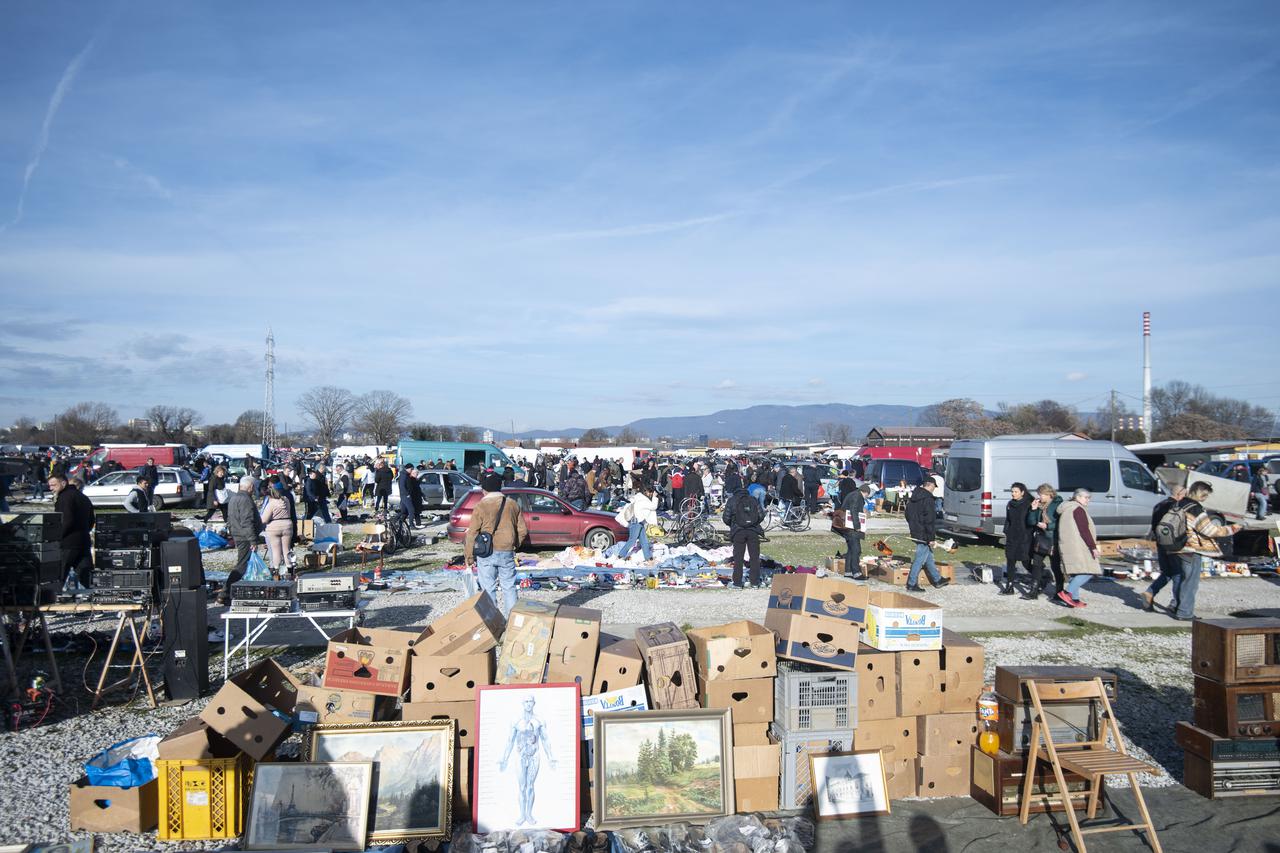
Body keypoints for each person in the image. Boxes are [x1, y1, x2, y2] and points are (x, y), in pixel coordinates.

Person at [1167, 482, 1242, 621]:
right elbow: (1209, 530)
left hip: (1173, 547)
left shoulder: (1178, 504)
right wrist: (1232, 528)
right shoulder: (1195, 508)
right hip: (1190, 548)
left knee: (1179, 579)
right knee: (1190, 582)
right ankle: (1184, 613)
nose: (1205, 498)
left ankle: (1176, 606)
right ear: (1199, 492)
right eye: (1205, 495)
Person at [465, 472, 528, 616]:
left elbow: (472, 533)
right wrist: (514, 544)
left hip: (486, 553)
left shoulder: (481, 506)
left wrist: (469, 557)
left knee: (488, 589)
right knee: (509, 587)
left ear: (484, 490)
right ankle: (511, 622)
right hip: (506, 550)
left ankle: (493, 624)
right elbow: (523, 530)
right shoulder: (512, 504)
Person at [499, 694, 557, 827]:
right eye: (526, 701)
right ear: (523, 703)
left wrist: (550, 757)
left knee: (530, 786)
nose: (529, 704)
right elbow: (510, 740)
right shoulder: (516, 721)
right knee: (522, 787)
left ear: (534, 703)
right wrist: (504, 758)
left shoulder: (539, 720)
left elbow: (545, 740)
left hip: (534, 756)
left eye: (531, 701)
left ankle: (529, 814)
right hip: (520, 756)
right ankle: (522, 815)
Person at [1141, 485, 1186, 612]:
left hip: (1160, 543)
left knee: (1167, 572)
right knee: (1178, 573)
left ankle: (1150, 592)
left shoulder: (1158, 505)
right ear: (1179, 494)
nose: (1184, 498)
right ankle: (1176, 604)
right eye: (1184, 495)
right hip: (1172, 544)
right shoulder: (1176, 507)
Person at [1056, 489, 1101, 607]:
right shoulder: (1078, 509)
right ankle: (1067, 593)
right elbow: (1084, 530)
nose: (1088, 500)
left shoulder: (1067, 508)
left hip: (1068, 545)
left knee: (1076, 572)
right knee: (1089, 570)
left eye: (1089, 498)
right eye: (1086, 497)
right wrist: (1093, 547)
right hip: (1079, 546)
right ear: (1077, 497)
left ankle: (1074, 600)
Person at [50, 473, 95, 590]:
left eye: (53, 485)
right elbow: (91, 520)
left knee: (59, 573)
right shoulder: (83, 497)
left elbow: (66, 520)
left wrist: (57, 536)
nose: (51, 489)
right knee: (87, 575)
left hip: (68, 542)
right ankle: (95, 599)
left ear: (63, 483)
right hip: (83, 541)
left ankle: (55, 598)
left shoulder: (64, 497)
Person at [222, 479, 264, 604]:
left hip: (238, 534)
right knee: (242, 565)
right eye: (253, 487)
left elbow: (229, 519)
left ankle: (231, 591)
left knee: (243, 563)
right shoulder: (245, 499)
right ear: (250, 487)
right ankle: (226, 592)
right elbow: (247, 521)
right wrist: (253, 540)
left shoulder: (234, 498)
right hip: (244, 536)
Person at [905, 478, 949, 592]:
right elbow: (929, 521)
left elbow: (907, 514)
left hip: (915, 531)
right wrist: (931, 538)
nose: (934, 489)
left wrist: (913, 526)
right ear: (930, 485)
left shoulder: (913, 497)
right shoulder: (928, 499)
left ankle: (937, 579)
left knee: (928, 556)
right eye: (934, 486)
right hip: (924, 533)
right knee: (920, 559)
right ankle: (911, 583)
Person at [1021, 484, 1064, 601]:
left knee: (1055, 566)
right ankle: (1033, 591)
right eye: (1039, 494)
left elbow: (1062, 522)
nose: (1040, 497)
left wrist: (1048, 525)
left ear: (1049, 494)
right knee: (1036, 565)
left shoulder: (1058, 504)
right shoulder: (1039, 505)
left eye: (1042, 495)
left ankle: (1060, 592)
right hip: (1040, 538)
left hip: (1053, 539)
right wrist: (1033, 510)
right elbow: (1031, 522)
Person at [723, 485, 766, 588]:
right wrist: (753, 523)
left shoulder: (732, 500)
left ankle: (737, 583)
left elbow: (726, 517)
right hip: (753, 530)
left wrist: (733, 524)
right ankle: (755, 582)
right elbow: (761, 515)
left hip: (738, 531)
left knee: (738, 558)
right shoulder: (753, 499)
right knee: (754, 557)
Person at [830, 484, 871, 580]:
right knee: (856, 550)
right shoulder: (857, 496)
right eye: (867, 495)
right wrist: (857, 526)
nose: (866, 497)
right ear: (865, 492)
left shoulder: (853, 494)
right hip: (851, 528)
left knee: (851, 550)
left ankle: (848, 572)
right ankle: (856, 573)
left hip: (847, 527)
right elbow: (853, 510)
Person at [999, 483, 1034, 595]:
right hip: (1012, 536)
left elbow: (1031, 521)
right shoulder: (1010, 504)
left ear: (1022, 492)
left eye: (1016, 492)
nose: (1013, 494)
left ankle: (1040, 577)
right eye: (1012, 491)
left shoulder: (1028, 504)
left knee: (1025, 561)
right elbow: (1008, 520)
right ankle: (1010, 586)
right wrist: (1006, 532)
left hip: (1024, 537)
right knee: (1010, 560)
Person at [260, 481, 295, 578]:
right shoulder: (286, 500)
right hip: (287, 525)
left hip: (274, 527)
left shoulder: (271, 504)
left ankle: (276, 570)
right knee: (286, 549)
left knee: (276, 550)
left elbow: (264, 519)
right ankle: (290, 569)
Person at [618, 483, 658, 561]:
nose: (651, 494)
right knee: (632, 540)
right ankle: (620, 555)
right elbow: (653, 506)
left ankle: (648, 558)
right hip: (636, 523)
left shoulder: (639, 497)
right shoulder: (643, 500)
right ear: (646, 492)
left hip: (639, 522)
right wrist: (655, 497)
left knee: (644, 541)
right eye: (650, 492)